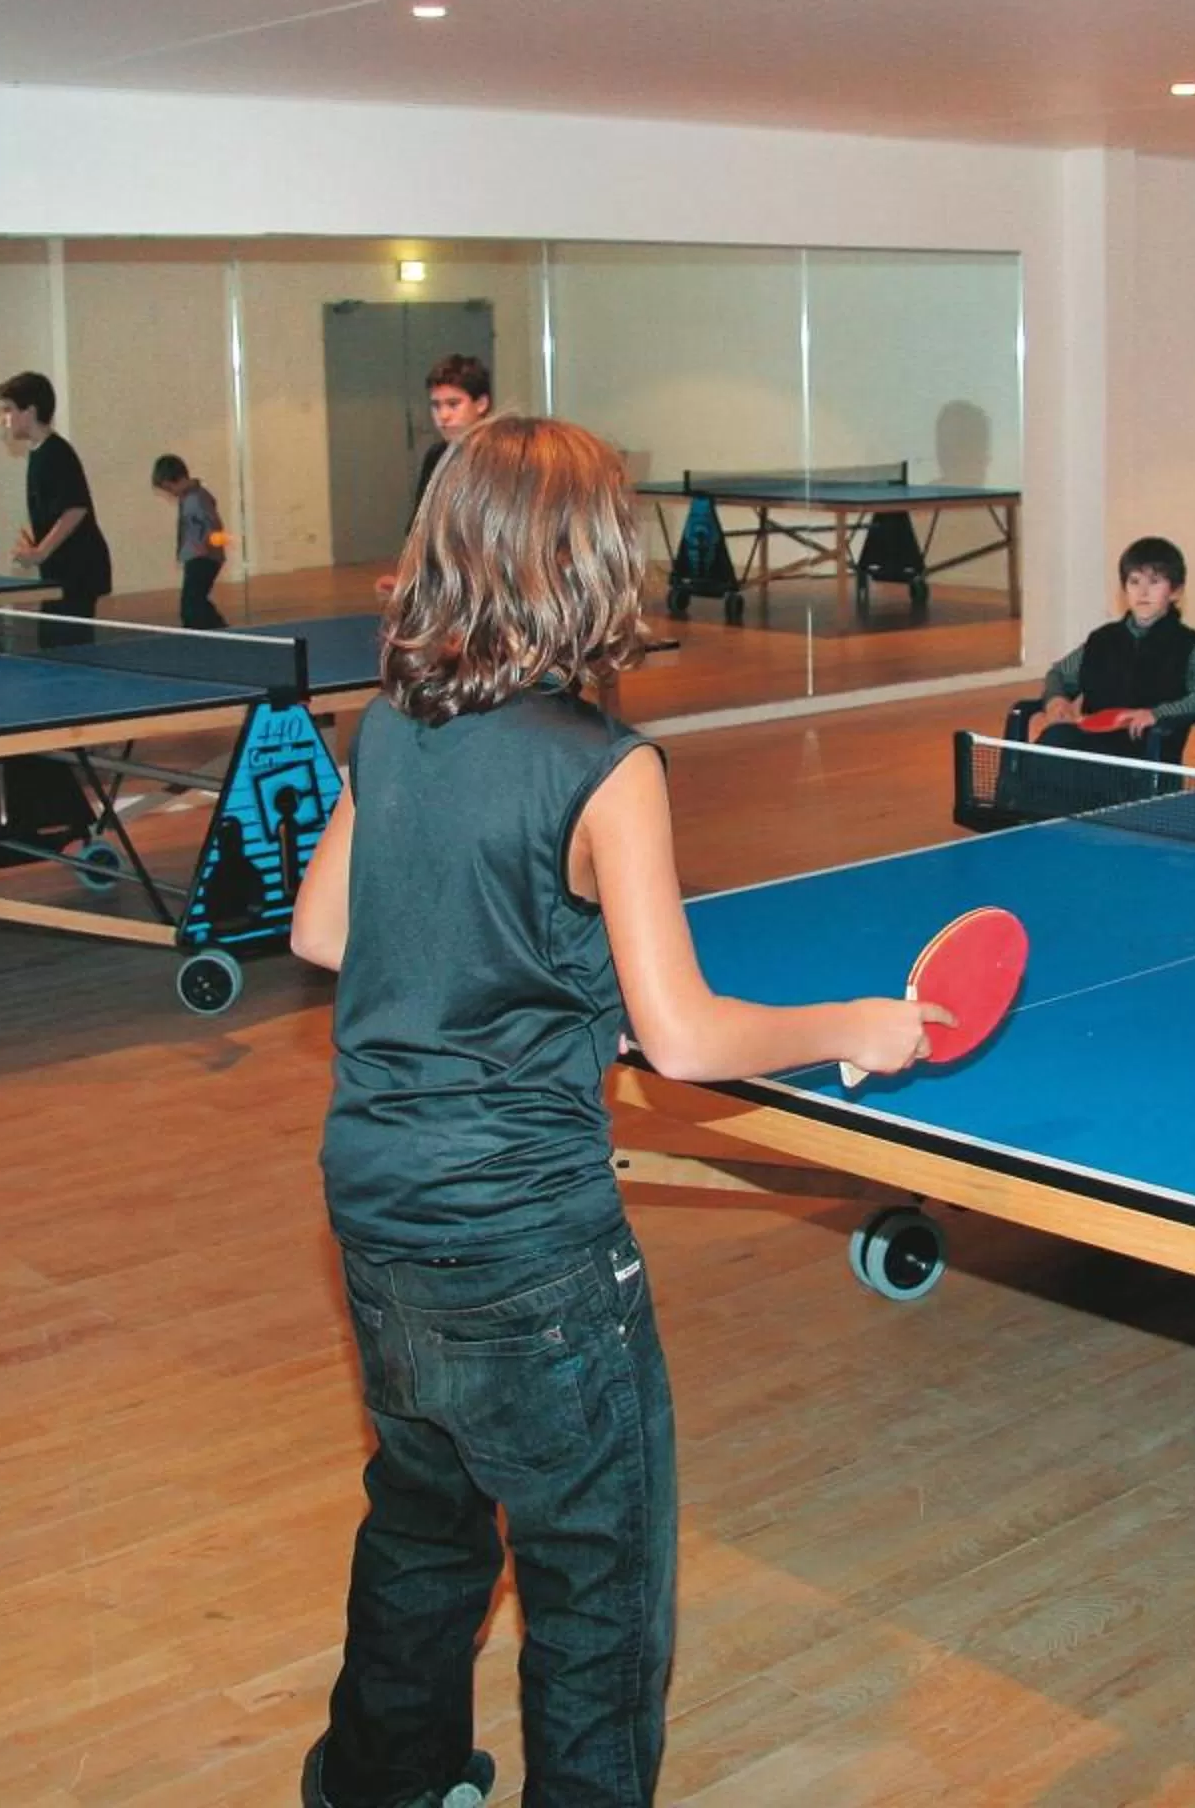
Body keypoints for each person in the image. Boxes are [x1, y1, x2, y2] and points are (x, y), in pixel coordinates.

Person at [287, 415, 939, 1808]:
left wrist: (504, 946)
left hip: (378, 1205)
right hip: (532, 1239)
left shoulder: (394, 720)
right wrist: (854, 1028)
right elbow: (687, 1036)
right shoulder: (606, 767)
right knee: (597, 1575)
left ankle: (379, 1781)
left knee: (424, 1515)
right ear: (593, 563)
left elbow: (323, 931)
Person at [1031, 536, 1195, 758]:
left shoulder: (1189, 648)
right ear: (1124, 590)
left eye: (1154, 582)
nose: (1143, 592)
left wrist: (1158, 714)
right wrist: (1056, 699)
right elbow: (1059, 674)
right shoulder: (1101, 640)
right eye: (1134, 582)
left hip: (1144, 754)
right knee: (1051, 743)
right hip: (1089, 744)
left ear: (1176, 592)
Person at [0, 371, 112, 628]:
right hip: (61, 572)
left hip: (79, 571)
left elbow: (75, 508)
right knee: (52, 642)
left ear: (30, 411)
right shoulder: (38, 453)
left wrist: (40, 551)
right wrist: (36, 544)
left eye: (8, 410)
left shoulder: (57, 452)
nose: (3, 419)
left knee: (66, 647)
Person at [149, 454, 229, 630]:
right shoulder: (191, 497)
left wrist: (204, 546)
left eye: (169, 488)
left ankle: (209, 629)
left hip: (203, 556)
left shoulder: (196, 499)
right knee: (195, 600)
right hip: (200, 555)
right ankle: (216, 627)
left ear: (176, 480)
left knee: (191, 603)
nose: (170, 493)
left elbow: (211, 524)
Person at [412, 354, 492, 524]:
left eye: (453, 404)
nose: (443, 416)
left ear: (481, 404)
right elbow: (418, 526)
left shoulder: (505, 456)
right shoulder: (436, 456)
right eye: (436, 406)